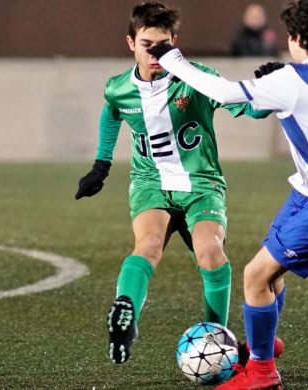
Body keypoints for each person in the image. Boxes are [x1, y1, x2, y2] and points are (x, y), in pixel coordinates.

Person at [147, 0, 308, 387]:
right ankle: (266, 345)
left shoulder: (292, 81)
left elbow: (224, 93)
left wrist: (173, 59)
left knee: (255, 276)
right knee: (270, 273)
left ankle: (262, 374)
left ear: (295, 38)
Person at [74, 2, 271, 365]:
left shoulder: (196, 79)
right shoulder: (119, 88)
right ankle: (126, 316)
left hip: (201, 184)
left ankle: (216, 341)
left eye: (163, 45)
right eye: (147, 44)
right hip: (151, 183)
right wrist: (101, 165)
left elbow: (246, 107)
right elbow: (111, 111)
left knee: (210, 252)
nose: (155, 54)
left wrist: (267, 92)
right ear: (130, 42)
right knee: (147, 245)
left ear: (175, 43)